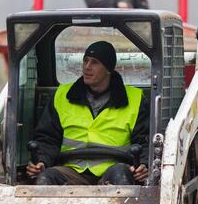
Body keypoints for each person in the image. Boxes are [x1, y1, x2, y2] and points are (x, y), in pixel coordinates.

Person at [27, 40, 149, 186]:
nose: (87, 67)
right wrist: (41, 161)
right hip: (71, 170)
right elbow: (47, 138)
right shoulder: (62, 95)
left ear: (109, 69)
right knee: (46, 178)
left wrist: (143, 163)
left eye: (95, 62)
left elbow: (145, 140)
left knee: (121, 176)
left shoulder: (135, 99)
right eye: (85, 61)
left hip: (113, 170)